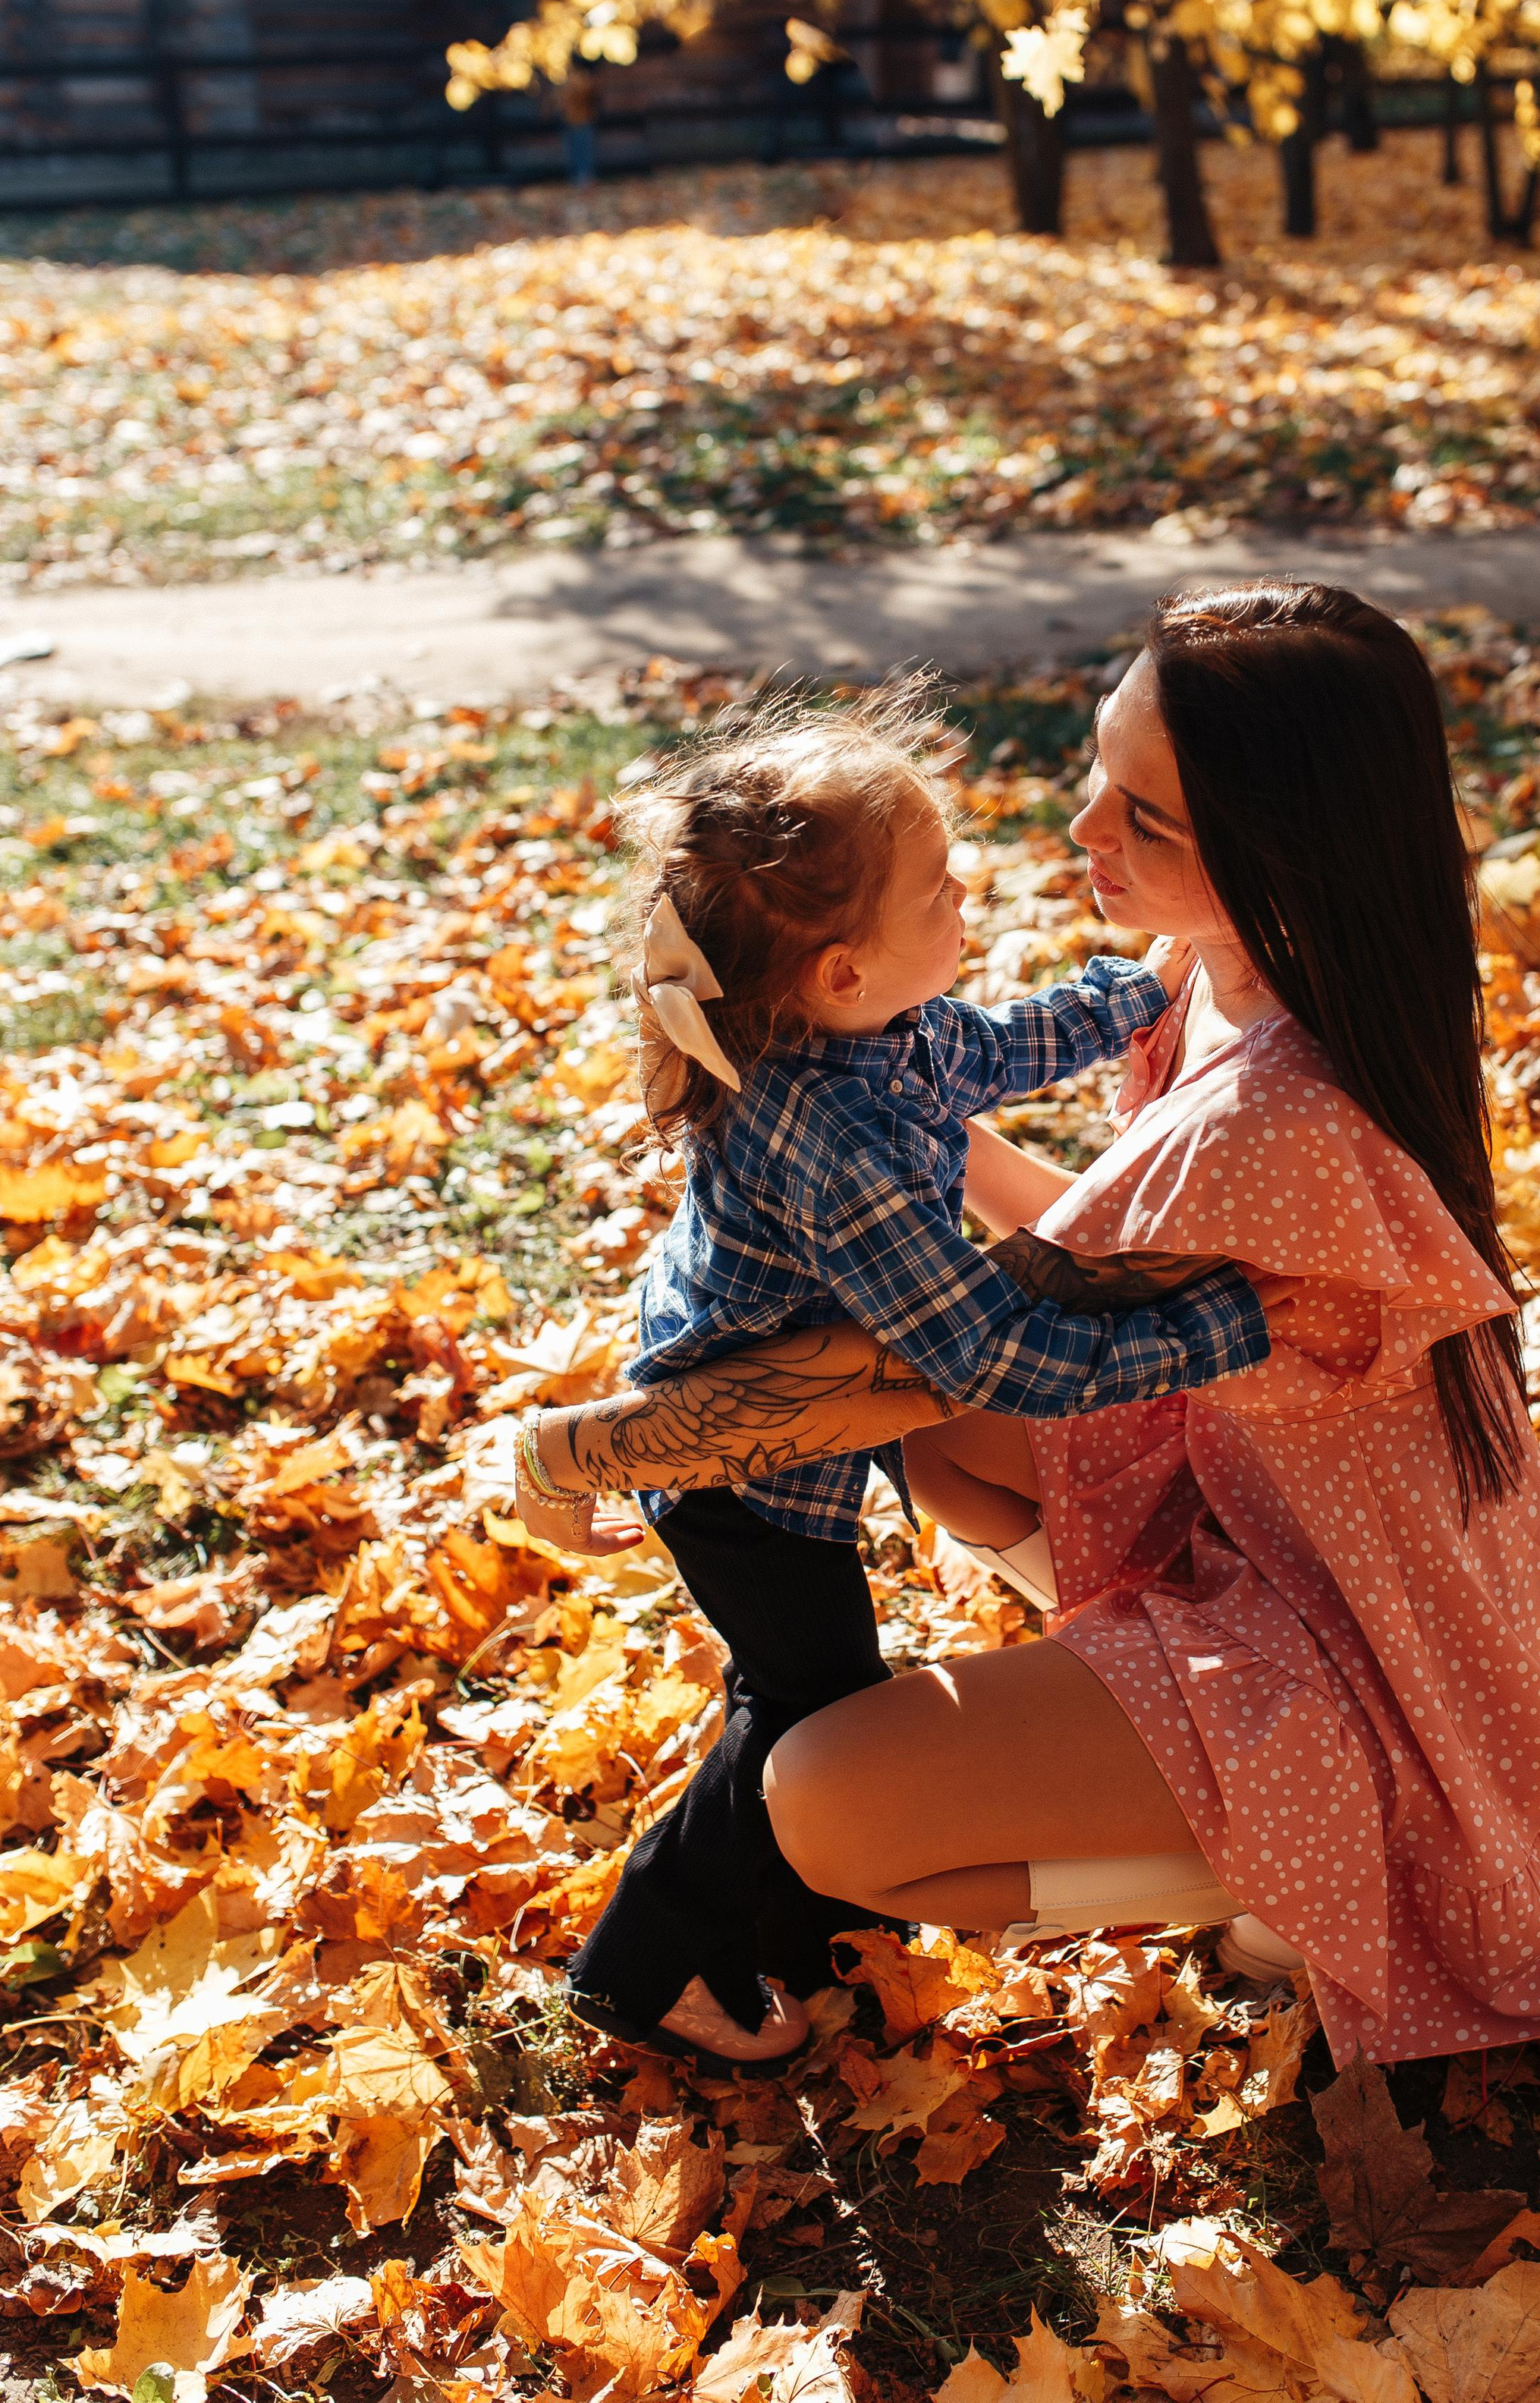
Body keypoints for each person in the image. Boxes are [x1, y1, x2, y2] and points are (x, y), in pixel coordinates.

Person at [522, 582, 1540, 2068]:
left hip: (1364, 1648)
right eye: (1101, 771)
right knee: (948, 1439)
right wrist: (860, 1120)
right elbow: (1080, 1239)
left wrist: (583, 1448)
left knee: (819, 1794)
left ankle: (1301, 1871)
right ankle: (1192, 1790)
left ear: (1277, 839)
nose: (1081, 830)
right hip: (1279, 1515)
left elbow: (925, 1360)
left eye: (1142, 819)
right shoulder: (1228, 965)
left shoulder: (1279, 1116)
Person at [520, 694, 1273, 2065]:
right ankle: (642, 1965)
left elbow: (1002, 1044)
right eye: (938, 887)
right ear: (841, 972)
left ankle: (796, 1937)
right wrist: (1219, 1328)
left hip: (798, 1423)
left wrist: (1143, 988)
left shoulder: (872, 1034)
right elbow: (988, 1352)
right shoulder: (839, 1141)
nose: (967, 890)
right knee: (804, 1707)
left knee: (813, 1690)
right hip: (742, 1463)